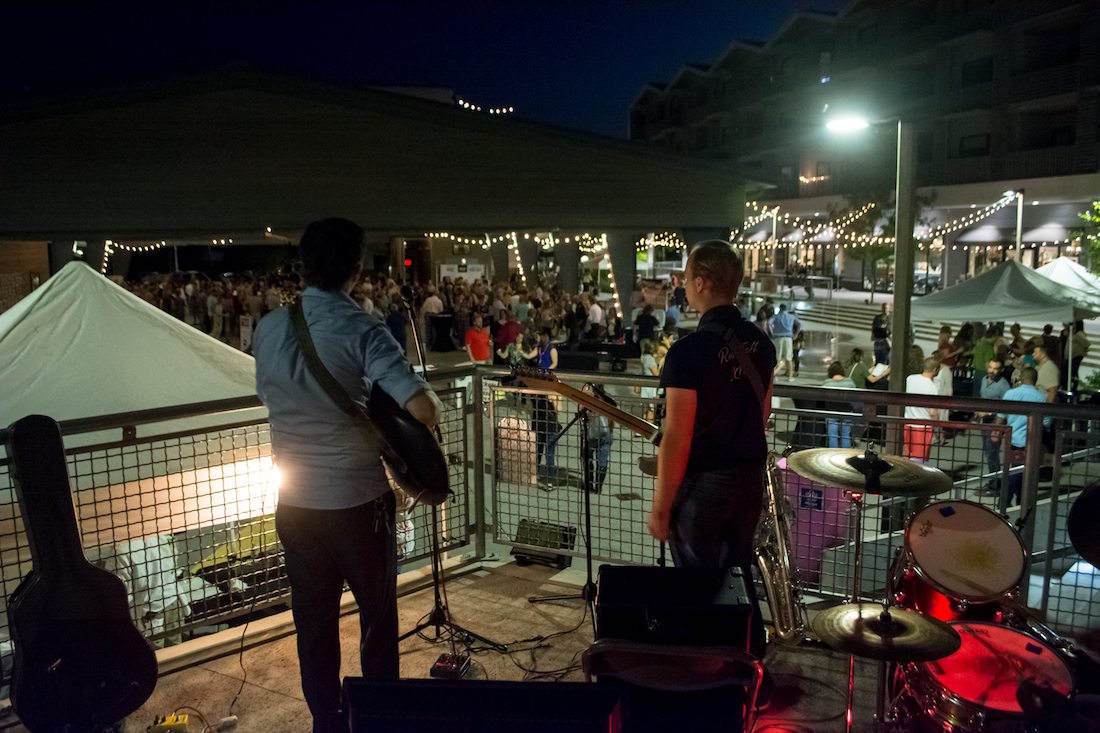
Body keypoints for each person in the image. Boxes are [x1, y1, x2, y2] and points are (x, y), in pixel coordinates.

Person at [254, 218, 442, 733]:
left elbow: (267, 396)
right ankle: (377, 718)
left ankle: (326, 722)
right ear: (356, 271)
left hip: (294, 504)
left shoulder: (269, 327)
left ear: (303, 266)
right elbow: (422, 409)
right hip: (359, 504)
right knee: (377, 620)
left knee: (313, 625)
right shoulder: (363, 328)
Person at [647, 240, 775, 660]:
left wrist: (662, 506)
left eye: (686, 279)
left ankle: (707, 672)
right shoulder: (762, 344)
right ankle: (749, 660)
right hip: (749, 480)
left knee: (700, 586)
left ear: (701, 282)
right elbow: (763, 413)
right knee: (738, 573)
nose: (684, 286)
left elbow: (676, 437)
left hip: (704, 486)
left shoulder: (687, 353)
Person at [995, 367, 1048, 506]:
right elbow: (1046, 422)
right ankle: (1020, 501)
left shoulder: (1010, 394)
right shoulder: (1041, 397)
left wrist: (996, 433)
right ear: (1035, 380)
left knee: (1013, 470)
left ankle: (1005, 501)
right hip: (1031, 442)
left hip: (1011, 440)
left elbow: (1001, 416)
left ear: (1022, 378)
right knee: (1026, 473)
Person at [977, 359, 1011, 494]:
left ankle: (996, 484)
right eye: (990, 367)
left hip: (994, 423)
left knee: (992, 454)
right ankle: (993, 481)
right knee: (988, 452)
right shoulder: (984, 379)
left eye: (995, 368)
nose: (992, 371)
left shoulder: (1004, 386)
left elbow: (1006, 408)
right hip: (984, 422)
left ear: (1001, 370)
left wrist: (989, 412)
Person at [904, 357, 941, 462]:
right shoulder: (932, 387)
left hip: (908, 423)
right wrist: (939, 428)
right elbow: (933, 412)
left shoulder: (910, 378)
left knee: (909, 456)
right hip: (923, 426)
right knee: (920, 459)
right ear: (935, 370)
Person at [581, 384, 614, 494]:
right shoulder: (607, 401)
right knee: (601, 462)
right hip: (605, 434)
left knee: (588, 459)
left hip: (592, 436)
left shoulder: (591, 401)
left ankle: (591, 484)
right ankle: (596, 486)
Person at [821, 361, 856, 448]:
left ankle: (833, 456)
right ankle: (845, 456)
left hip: (832, 412)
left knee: (832, 436)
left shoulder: (827, 383)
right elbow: (855, 397)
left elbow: (821, 397)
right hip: (847, 411)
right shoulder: (850, 382)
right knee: (845, 435)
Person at [768, 303, 800, 381]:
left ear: (780, 308)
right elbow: (799, 324)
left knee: (777, 358)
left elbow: (769, 323)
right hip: (788, 338)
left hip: (777, 338)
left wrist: (772, 333)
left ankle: (774, 376)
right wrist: (795, 334)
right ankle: (790, 376)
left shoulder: (775, 316)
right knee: (788, 357)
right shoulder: (791, 316)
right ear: (786, 309)